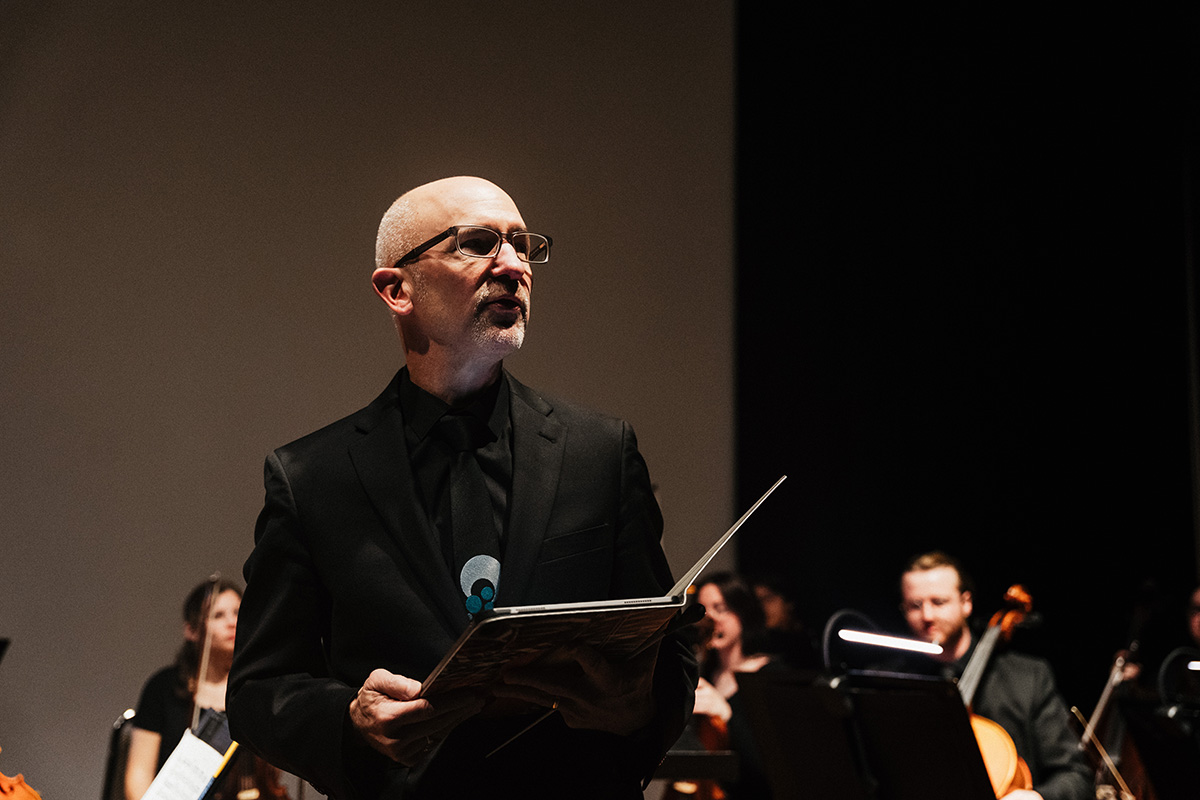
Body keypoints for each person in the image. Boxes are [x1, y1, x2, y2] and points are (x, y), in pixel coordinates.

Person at [226, 176, 698, 799]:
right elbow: (261, 688)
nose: (512, 265)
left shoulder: (599, 453)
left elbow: (669, 656)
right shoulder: (314, 477)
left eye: (522, 245)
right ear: (397, 289)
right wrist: (351, 721)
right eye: (476, 244)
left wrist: (635, 709)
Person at [897, 552, 1091, 800]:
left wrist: (1037, 797)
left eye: (939, 602)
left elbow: (1076, 778)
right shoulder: (891, 682)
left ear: (966, 602)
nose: (927, 616)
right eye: (915, 605)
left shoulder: (1027, 677)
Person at [126, 578, 286, 800]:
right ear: (192, 630)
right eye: (218, 615)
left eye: (238, 613)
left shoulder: (256, 688)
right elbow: (138, 779)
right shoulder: (163, 687)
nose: (232, 622)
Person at [689, 571, 775, 799]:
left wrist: (724, 713)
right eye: (703, 611)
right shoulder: (705, 673)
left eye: (721, 609)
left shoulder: (769, 676)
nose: (710, 619)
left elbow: (770, 765)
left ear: (743, 612)